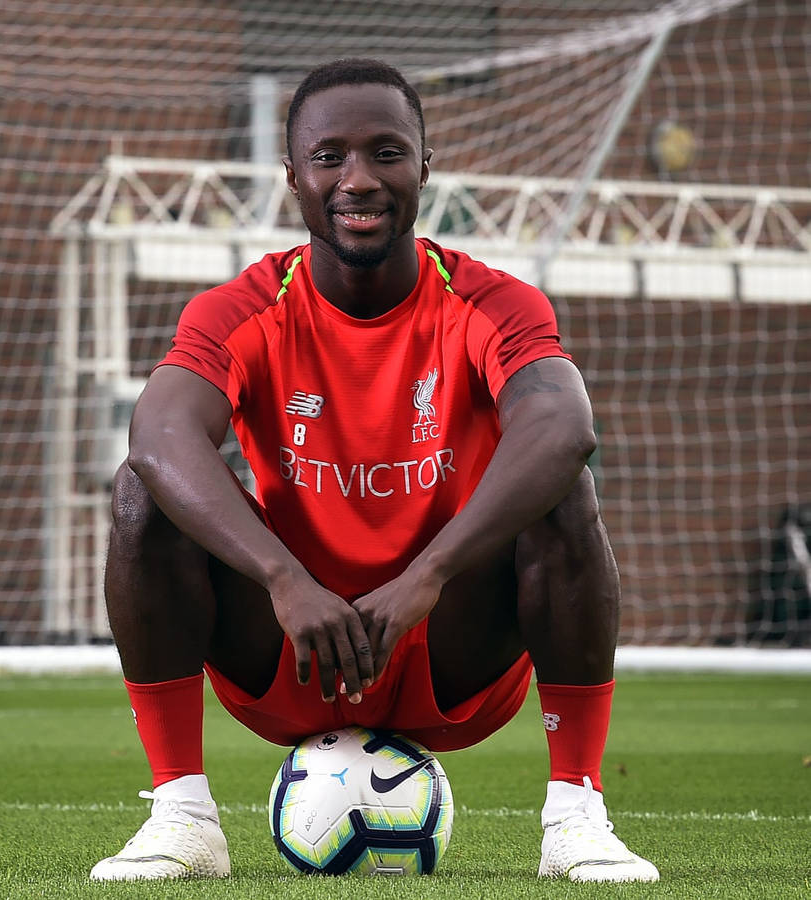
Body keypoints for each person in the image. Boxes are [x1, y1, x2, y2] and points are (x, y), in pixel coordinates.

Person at [89, 58, 659, 884]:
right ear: (294, 176)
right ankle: (182, 814)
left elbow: (563, 422)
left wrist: (426, 575)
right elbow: (161, 433)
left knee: (562, 485)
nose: (359, 180)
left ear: (424, 166)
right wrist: (285, 580)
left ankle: (577, 812)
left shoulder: (492, 301)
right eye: (330, 158)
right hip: (291, 645)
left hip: (449, 647)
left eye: (387, 153)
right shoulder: (239, 310)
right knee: (145, 492)